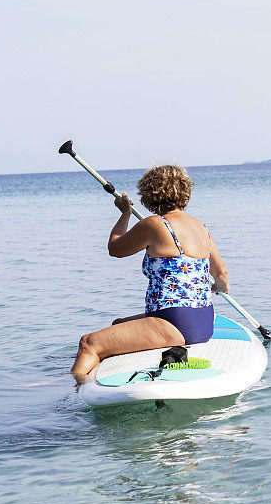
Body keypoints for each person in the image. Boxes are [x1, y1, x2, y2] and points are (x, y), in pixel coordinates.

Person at [71, 164, 229, 383]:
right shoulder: (200, 227)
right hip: (203, 322)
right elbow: (221, 274)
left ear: (148, 194)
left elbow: (115, 249)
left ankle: (72, 391)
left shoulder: (154, 224)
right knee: (118, 325)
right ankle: (98, 367)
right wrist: (217, 287)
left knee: (88, 343)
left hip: (175, 323)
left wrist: (125, 213)